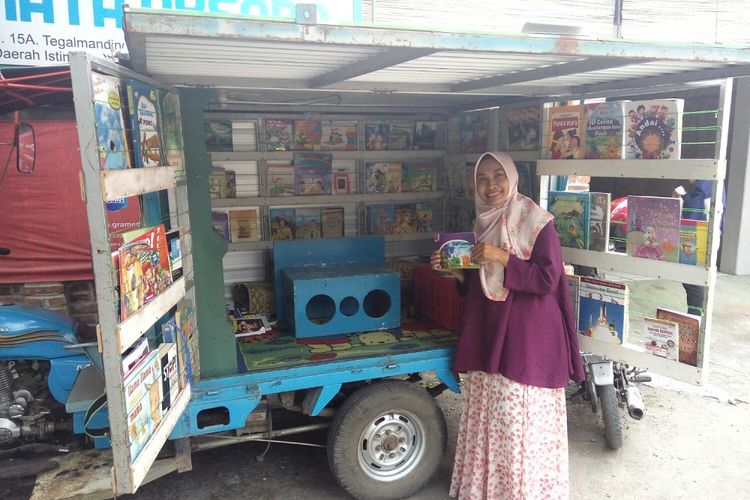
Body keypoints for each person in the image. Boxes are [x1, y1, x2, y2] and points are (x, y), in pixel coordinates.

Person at [431, 152, 585, 499]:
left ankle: (522, 491)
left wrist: (503, 256)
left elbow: (548, 278)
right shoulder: (482, 223)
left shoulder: (536, 221)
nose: (490, 186)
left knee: (519, 421)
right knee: (493, 416)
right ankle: (490, 489)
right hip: (491, 333)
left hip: (528, 338)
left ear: (513, 178)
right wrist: (456, 272)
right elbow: (483, 286)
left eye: (498, 176)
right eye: (482, 178)